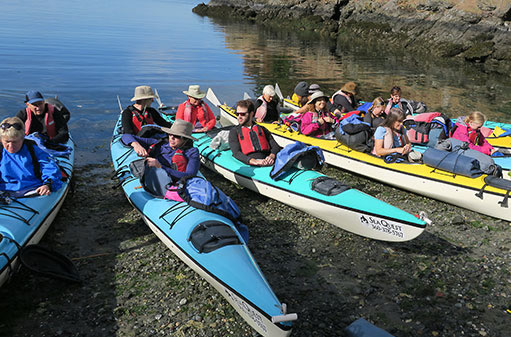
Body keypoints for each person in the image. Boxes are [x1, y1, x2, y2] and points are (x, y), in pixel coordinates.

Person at [121, 119, 200, 182]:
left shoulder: (192, 152)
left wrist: (160, 167)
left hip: (173, 181)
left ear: (185, 139)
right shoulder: (160, 143)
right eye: (170, 134)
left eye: (176, 136)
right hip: (155, 178)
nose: (171, 138)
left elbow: (190, 175)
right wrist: (136, 145)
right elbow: (125, 136)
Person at [0, 117, 62, 196]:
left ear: (22, 138)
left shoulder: (33, 150)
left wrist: (48, 185)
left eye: (15, 142)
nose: (11, 146)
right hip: (4, 190)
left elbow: (49, 167)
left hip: (33, 190)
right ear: (1, 140)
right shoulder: (1, 152)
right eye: (7, 142)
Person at [228, 99, 280, 166]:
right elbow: (236, 153)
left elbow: (275, 146)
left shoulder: (262, 128)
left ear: (251, 114)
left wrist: (271, 156)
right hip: (250, 163)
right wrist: (255, 161)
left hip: (267, 160)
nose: (239, 117)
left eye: (243, 114)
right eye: (237, 114)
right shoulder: (234, 132)